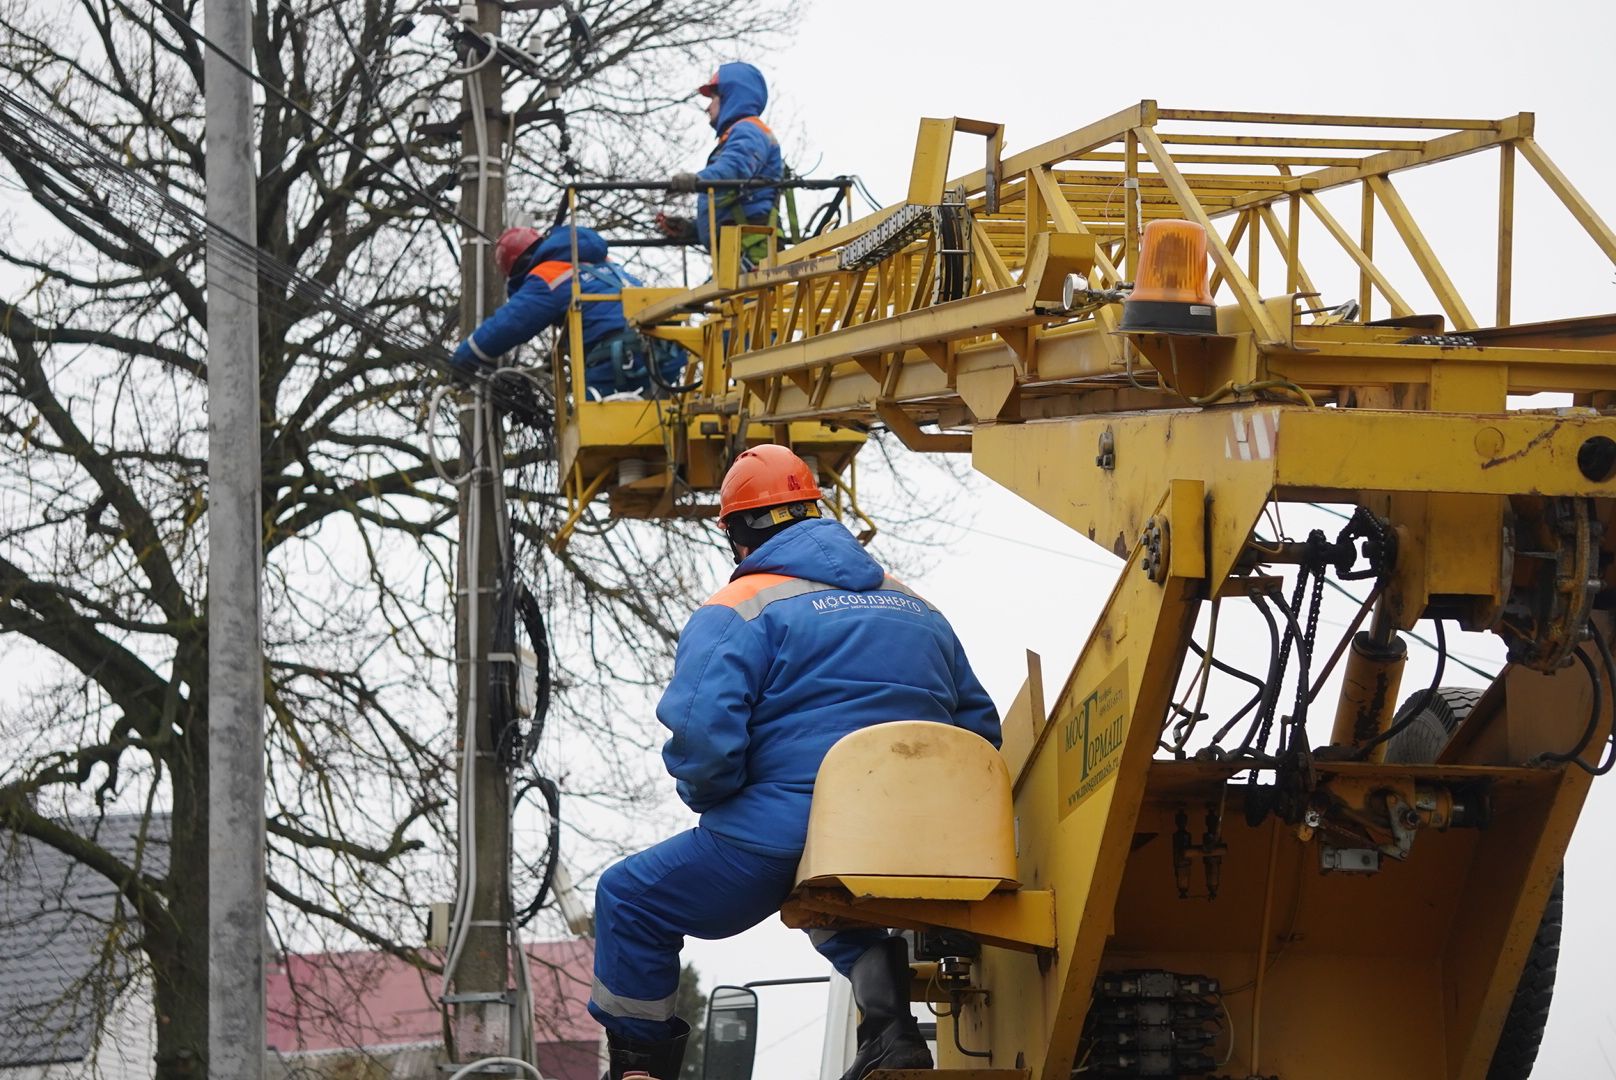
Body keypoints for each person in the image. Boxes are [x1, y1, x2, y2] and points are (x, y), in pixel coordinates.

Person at [588, 445, 1002, 1080]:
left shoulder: (739, 606)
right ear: (814, 509)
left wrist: (719, 800)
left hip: (780, 834)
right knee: (839, 891)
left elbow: (703, 736)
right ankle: (893, 1033)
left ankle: (639, 1070)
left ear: (737, 533)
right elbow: (979, 728)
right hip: (918, 838)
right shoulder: (918, 608)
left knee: (629, 899)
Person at [452, 224, 684, 399]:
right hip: (666, 356)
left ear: (519, 269)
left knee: (596, 429)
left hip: (616, 365)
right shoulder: (607, 266)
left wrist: (465, 357)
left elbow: (510, 322)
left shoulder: (549, 275)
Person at [657, 61, 785, 265]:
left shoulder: (749, 131)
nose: (707, 107)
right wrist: (693, 228)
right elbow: (731, 201)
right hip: (739, 249)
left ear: (730, 96)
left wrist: (698, 180)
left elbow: (735, 169)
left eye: (713, 98)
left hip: (752, 250)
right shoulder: (740, 134)